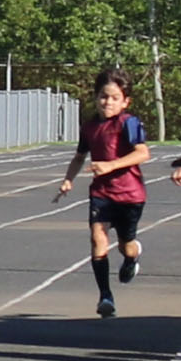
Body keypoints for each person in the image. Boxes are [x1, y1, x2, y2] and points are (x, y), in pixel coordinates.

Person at [55, 67, 150, 318]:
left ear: (125, 101)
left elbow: (143, 153)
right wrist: (68, 180)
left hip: (130, 195)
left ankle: (132, 257)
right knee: (98, 239)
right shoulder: (89, 127)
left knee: (125, 245)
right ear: (96, 97)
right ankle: (105, 296)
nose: (107, 102)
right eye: (103, 96)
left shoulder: (128, 123)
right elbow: (79, 157)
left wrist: (111, 165)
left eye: (114, 98)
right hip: (101, 193)